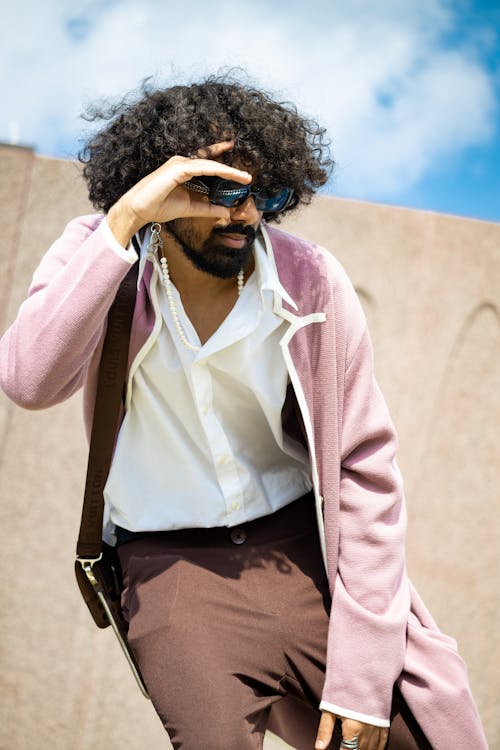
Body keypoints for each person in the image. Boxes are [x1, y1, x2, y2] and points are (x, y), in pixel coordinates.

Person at [0, 75, 488, 750]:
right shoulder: (99, 255)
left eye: (268, 194)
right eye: (224, 188)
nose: (247, 214)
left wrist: (363, 676)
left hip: (304, 558)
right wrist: (122, 222)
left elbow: (365, 471)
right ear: (159, 184)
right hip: (170, 575)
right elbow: (28, 380)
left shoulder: (311, 279)